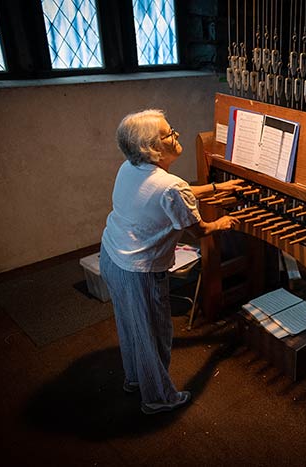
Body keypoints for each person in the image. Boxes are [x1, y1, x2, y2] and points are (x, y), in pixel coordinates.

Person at [99, 109, 241, 415]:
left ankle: (135, 379)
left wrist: (216, 188)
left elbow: (174, 195)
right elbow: (199, 228)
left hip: (111, 256)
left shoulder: (130, 167)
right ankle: (158, 398)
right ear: (151, 147)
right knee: (155, 334)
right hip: (139, 271)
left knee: (130, 324)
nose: (175, 134)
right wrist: (224, 223)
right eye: (168, 133)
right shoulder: (171, 186)